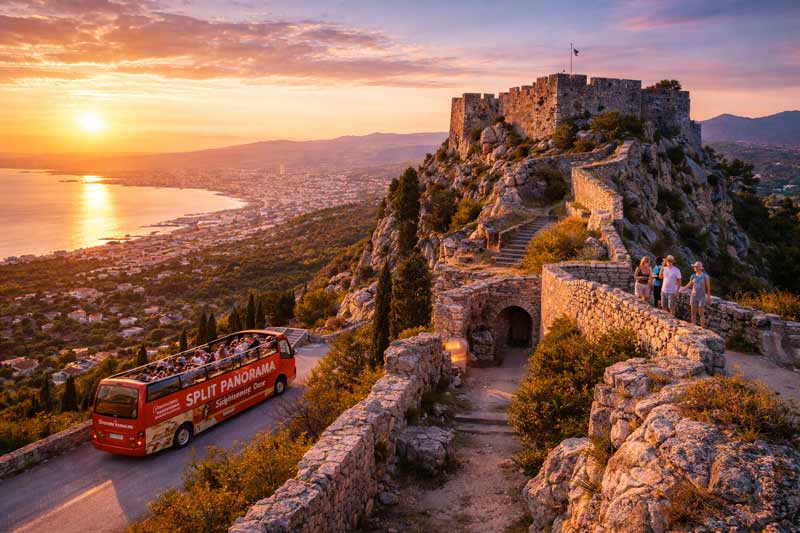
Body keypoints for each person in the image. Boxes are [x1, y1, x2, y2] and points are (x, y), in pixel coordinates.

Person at [683, 261, 711, 328]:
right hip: (693, 296)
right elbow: (689, 284)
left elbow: (708, 288)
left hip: (702, 296)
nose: (694, 268)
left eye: (695, 267)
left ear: (699, 268)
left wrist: (708, 297)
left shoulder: (705, 276)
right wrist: (681, 289)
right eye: (694, 267)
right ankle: (693, 327)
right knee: (693, 313)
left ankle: (702, 328)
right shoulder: (692, 276)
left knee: (701, 313)